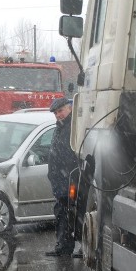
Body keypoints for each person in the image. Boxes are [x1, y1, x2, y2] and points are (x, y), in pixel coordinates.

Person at [46, 96, 79, 257]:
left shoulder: (73, 127)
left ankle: (70, 247)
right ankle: (62, 246)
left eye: (60, 111)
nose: (58, 115)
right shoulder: (60, 127)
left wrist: (68, 179)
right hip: (60, 181)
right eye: (56, 113)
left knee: (71, 214)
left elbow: (71, 156)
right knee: (61, 213)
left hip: (69, 181)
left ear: (69, 108)